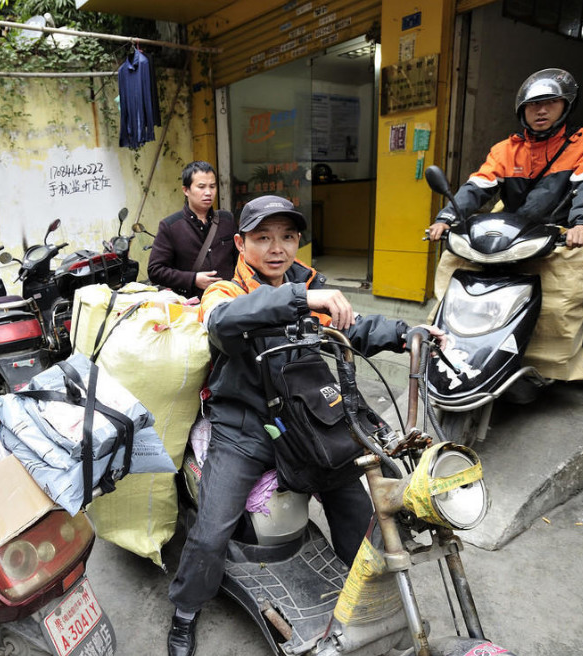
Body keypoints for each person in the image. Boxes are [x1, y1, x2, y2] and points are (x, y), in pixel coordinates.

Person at [166, 195, 445, 656]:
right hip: (245, 427)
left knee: (362, 513)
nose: (277, 248)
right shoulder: (227, 291)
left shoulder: (309, 283)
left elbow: (351, 327)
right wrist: (299, 299)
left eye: (288, 237)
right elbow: (222, 323)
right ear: (240, 243)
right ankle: (185, 610)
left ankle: (368, 602)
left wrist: (404, 333)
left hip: (308, 420)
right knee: (214, 528)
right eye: (263, 238)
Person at [427, 68, 583, 413]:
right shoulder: (507, 149)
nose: (542, 110)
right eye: (533, 105)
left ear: (566, 106)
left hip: (569, 239)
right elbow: (478, 188)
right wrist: (446, 218)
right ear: (522, 111)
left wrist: (582, 223)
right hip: (519, 236)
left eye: (550, 103)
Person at [148, 161, 238, 299]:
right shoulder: (171, 226)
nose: (208, 192)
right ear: (186, 190)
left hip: (229, 300)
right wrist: (192, 279)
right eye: (201, 187)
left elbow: (241, 259)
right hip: (191, 306)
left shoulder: (227, 220)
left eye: (212, 186)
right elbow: (155, 271)